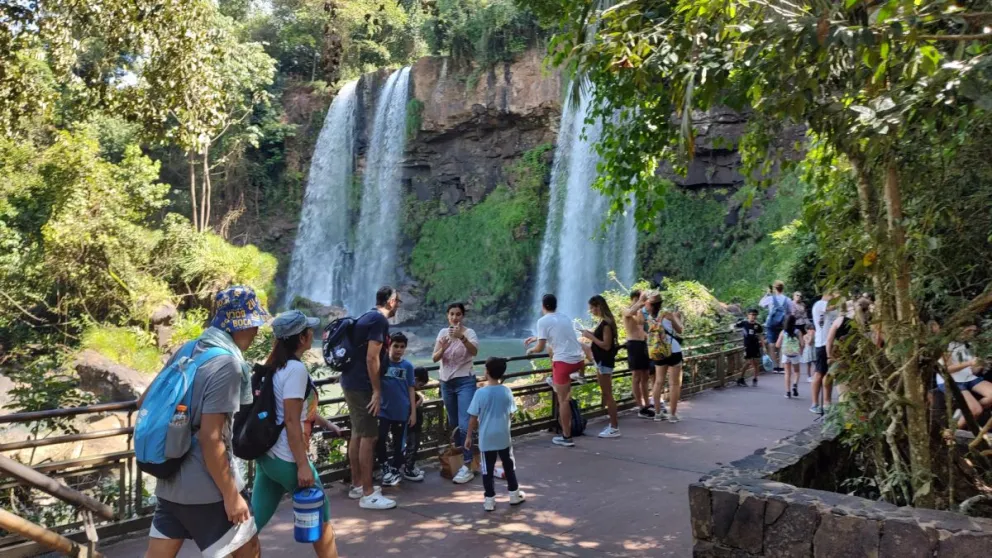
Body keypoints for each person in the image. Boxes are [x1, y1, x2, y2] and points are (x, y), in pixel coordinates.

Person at [144, 286, 267, 558]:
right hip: (207, 487)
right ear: (238, 326)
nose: (256, 332)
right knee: (250, 552)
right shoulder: (228, 365)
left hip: (170, 480)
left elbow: (146, 402)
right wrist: (231, 494)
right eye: (253, 325)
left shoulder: (187, 350)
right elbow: (211, 438)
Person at [251, 311, 341, 558]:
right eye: (309, 331)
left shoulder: (276, 367)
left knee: (251, 524)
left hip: (268, 457)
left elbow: (296, 413)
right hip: (287, 458)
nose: (312, 333)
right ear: (302, 338)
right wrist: (302, 465)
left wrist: (327, 424)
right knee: (322, 518)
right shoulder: (295, 369)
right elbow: (291, 420)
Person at [342, 286, 398, 510]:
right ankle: (367, 493)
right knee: (369, 436)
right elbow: (371, 358)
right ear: (391, 302)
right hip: (362, 385)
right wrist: (377, 390)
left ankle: (357, 485)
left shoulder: (366, 316)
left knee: (358, 433)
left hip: (350, 381)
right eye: (398, 301)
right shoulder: (379, 321)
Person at [465, 357, 526, 511]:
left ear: (487, 372)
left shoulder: (480, 393)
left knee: (487, 469)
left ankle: (489, 499)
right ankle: (513, 494)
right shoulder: (506, 390)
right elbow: (512, 413)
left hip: (486, 436)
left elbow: (473, 417)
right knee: (508, 465)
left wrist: (468, 436)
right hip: (503, 435)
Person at [525, 294, 586, 447]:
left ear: (543, 305)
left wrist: (530, 351)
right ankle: (576, 376)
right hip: (578, 360)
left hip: (563, 363)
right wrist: (536, 337)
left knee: (563, 401)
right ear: (555, 305)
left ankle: (567, 437)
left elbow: (540, 348)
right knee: (563, 384)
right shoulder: (564, 317)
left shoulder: (542, 321)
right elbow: (556, 333)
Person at [432, 302, 480, 484]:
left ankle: (467, 465)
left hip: (465, 382)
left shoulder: (470, 333)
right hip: (446, 383)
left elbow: (475, 352)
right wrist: (443, 347)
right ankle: (462, 460)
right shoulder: (442, 333)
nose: (455, 317)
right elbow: (434, 357)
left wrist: (462, 338)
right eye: (451, 314)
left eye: (458, 314)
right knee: (454, 423)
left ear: (462, 316)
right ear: (447, 316)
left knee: (464, 423)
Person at [375, 332, 416, 487]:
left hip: (401, 410)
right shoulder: (382, 363)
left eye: (402, 347)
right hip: (383, 409)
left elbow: (411, 389)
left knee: (399, 443)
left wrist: (413, 412)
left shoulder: (408, 366)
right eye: (395, 346)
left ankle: (394, 468)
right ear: (389, 346)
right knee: (380, 438)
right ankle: (384, 465)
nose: (398, 349)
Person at [937, 325, 992, 428]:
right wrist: (969, 363)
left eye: (973, 331)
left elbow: (974, 371)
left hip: (969, 378)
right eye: (968, 330)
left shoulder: (970, 345)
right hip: (951, 380)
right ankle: (951, 434)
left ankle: (963, 412)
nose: (971, 333)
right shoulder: (947, 345)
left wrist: (981, 365)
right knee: (975, 410)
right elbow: (946, 369)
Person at [581, 295, 621, 438]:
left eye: (592, 307)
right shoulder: (606, 322)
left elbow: (606, 345)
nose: (591, 310)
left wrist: (590, 337)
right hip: (602, 362)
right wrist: (590, 334)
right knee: (606, 394)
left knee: (608, 395)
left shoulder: (606, 324)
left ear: (599, 306)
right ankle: (612, 425)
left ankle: (615, 427)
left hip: (604, 362)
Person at [647, 293, 685, 423]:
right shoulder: (667, 314)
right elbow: (680, 330)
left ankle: (658, 413)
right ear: (661, 303)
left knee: (658, 382)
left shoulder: (650, 316)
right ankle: (672, 415)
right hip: (673, 350)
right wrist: (676, 317)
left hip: (658, 351)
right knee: (674, 383)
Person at [622, 290, 655, 419]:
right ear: (634, 298)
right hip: (633, 344)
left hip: (643, 344)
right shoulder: (625, 310)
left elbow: (641, 328)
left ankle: (647, 404)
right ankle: (640, 407)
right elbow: (629, 313)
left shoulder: (641, 312)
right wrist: (641, 301)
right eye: (640, 299)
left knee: (645, 375)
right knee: (636, 376)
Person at [810, 291, 839, 415]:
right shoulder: (820, 304)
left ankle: (827, 402)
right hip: (822, 343)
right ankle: (815, 403)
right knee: (819, 373)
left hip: (833, 343)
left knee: (829, 374)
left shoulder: (835, 309)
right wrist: (841, 301)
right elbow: (830, 307)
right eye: (833, 295)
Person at [759, 281, 797, 374]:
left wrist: (767, 293)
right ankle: (782, 366)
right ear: (783, 288)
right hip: (783, 324)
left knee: (771, 344)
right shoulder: (787, 300)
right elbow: (793, 312)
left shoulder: (771, 298)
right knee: (782, 343)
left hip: (771, 324)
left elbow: (761, 304)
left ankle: (775, 367)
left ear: (775, 289)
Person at [402, 366, 429, 482]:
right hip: (411, 424)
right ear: (416, 379)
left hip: (415, 424)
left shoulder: (409, 390)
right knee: (412, 445)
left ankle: (411, 466)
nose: (420, 388)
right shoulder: (408, 391)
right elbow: (409, 408)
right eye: (420, 385)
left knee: (413, 444)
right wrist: (419, 403)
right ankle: (408, 468)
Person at [734, 309, 763, 387]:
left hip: (756, 345)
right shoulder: (744, 323)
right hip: (747, 345)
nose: (753, 316)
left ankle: (755, 378)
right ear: (748, 315)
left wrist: (764, 346)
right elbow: (734, 325)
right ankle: (741, 378)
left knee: (756, 363)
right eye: (751, 314)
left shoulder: (758, 325)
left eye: (755, 315)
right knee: (748, 362)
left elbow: (760, 335)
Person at [776, 314, 802, 399]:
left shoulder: (783, 332)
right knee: (797, 371)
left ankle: (788, 392)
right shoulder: (798, 332)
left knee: (787, 373)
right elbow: (802, 344)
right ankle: (795, 385)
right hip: (795, 354)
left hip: (786, 355)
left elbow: (777, 345)